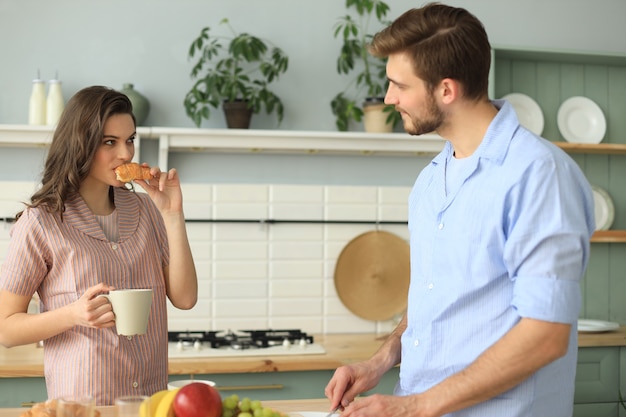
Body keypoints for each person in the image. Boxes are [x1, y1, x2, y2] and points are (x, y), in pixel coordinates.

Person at [325, 3, 595, 417]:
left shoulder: (539, 175)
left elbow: (546, 335)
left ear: (446, 90)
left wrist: (413, 407)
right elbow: (432, 304)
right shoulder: (432, 181)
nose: (389, 98)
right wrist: (378, 362)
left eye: (400, 85)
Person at [0, 86, 198, 405]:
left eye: (129, 140)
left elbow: (186, 298)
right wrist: (74, 314)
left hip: (149, 403)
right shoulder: (41, 222)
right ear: (81, 144)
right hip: (84, 406)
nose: (126, 154)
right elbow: (5, 330)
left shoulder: (148, 210)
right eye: (110, 142)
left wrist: (173, 214)